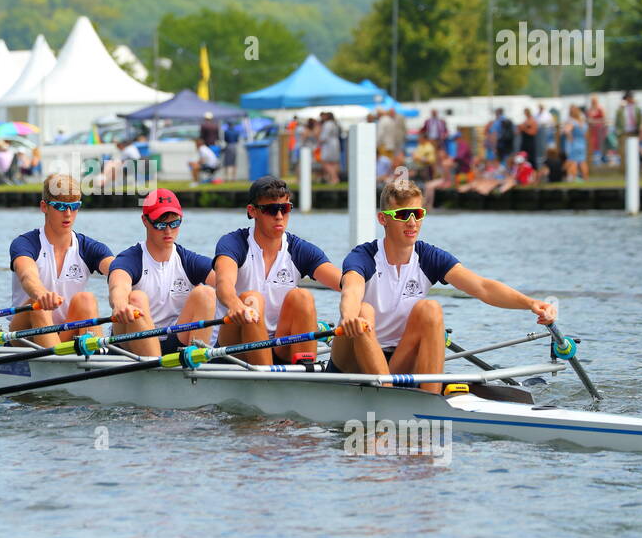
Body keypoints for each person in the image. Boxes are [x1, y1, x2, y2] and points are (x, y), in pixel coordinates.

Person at [328, 178, 556, 389]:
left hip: (398, 361)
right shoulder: (363, 257)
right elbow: (351, 291)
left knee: (431, 309)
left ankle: (430, 400)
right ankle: (389, 398)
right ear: (383, 219)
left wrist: (531, 303)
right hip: (353, 362)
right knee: (362, 310)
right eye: (403, 214)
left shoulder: (428, 257)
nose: (412, 222)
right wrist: (349, 318)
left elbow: (482, 287)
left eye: (417, 213)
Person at [213, 175, 340, 365]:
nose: (279, 216)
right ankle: (266, 381)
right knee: (251, 299)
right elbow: (224, 284)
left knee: (303, 298)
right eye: (272, 209)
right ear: (252, 211)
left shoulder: (299, 250)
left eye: (285, 208)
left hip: (281, 345)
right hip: (236, 349)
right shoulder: (234, 243)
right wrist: (235, 305)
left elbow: (343, 282)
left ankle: (305, 377)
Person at [107, 188, 217, 357]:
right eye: (160, 224)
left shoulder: (188, 260)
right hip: (130, 343)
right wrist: (120, 304)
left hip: (174, 341)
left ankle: (197, 366)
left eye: (174, 223)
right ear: (145, 221)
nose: (168, 231)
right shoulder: (130, 259)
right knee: (136, 298)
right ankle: (156, 367)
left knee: (206, 293)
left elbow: (225, 283)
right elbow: (118, 285)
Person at [8, 174, 114, 347]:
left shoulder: (89, 248)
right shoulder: (25, 243)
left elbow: (118, 272)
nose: (68, 214)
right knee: (38, 304)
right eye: (60, 206)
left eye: (74, 206)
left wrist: (123, 297)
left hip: (64, 333)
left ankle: (96, 359)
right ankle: (58, 363)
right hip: (24, 335)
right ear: (44, 207)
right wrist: (41, 294)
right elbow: (27, 275)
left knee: (86, 299)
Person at [563, 104, 589, 181]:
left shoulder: (572, 122)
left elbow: (566, 130)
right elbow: (586, 134)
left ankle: (573, 179)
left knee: (573, 161)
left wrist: (570, 137)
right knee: (582, 162)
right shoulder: (583, 122)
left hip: (574, 144)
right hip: (582, 143)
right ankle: (585, 178)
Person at [587, 96, 607, 165]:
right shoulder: (590, 110)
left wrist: (595, 121)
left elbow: (604, 119)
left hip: (599, 129)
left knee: (600, 144)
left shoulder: (600, 109)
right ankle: (595, 160)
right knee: (593, 144)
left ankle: (601, 158)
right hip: (592, 130)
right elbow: (588, 119)